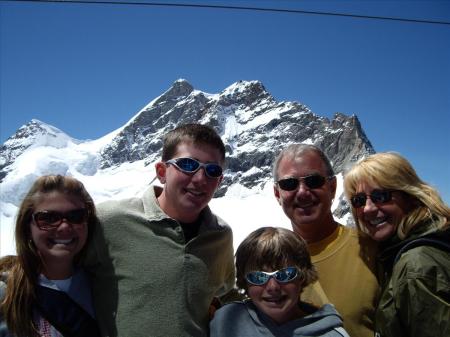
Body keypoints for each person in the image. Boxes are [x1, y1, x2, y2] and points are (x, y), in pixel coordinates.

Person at [84, 123, 235, 337]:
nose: (200, 179)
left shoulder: (220, 236)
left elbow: (223, 294)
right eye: (188, 164)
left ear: (219, 181)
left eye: (212, 170)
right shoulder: (109, 220)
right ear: (162, 172)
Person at [272, 143, 379, 337]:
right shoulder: (268, 265)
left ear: (332, 187)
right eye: (289, 184)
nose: (303, 192)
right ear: (277, 194)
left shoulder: (373, 250)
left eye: (313, 181)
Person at [344, 151, 450, 337]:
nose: (368, 208)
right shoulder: (432, 238)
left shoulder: (416, 264)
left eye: (381, 195)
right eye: (359, 200)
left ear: (409, 196)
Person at [0, 175, 100, 337]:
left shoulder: (104, 284)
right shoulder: (6, 294)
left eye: (76, 216)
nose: (64, 227)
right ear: (27, 227)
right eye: (48, 218)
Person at [210, 227, 349, 337]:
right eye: (258, 277)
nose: (273, 287)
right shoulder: (224, 321)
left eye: (285, 275)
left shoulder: (332, 334)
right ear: (245, 281)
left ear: (302, 276)